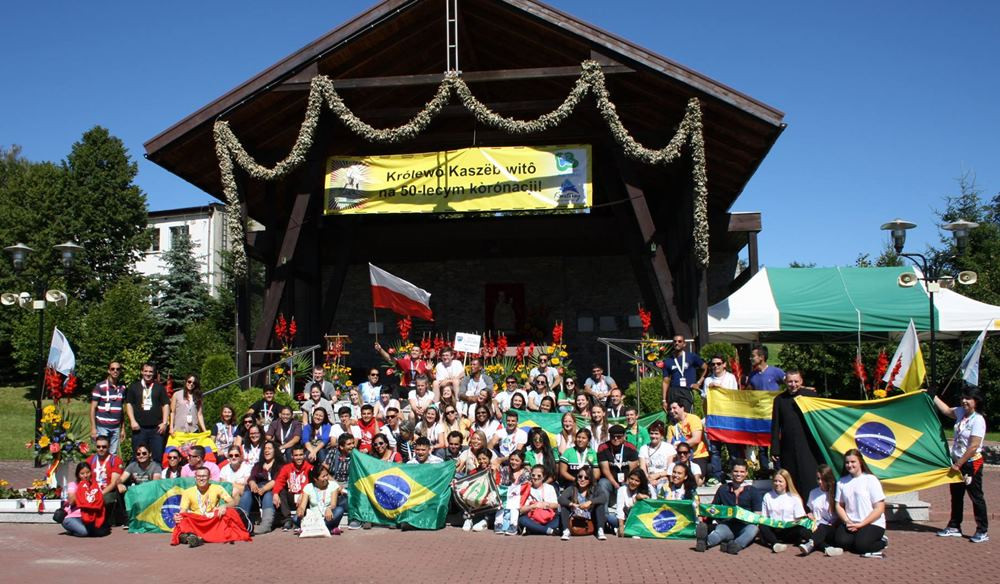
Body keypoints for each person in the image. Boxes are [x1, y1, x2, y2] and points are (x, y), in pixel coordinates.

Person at [934, 388, 989, 543]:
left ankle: (982, 530)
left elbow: (973, 446)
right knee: (956, 495)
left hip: (971, 463)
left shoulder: (978, 420)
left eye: (969, 398)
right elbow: (946, 410)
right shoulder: (960, 412)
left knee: (975, 496)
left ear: (976, 401)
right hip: (957, 462)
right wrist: (933, 396)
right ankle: (954, 526)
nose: (964, 401)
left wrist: (958, 464)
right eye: (963, 398)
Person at [769, 369, 821, 495]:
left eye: (796, 381)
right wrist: (775, 448)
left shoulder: (811, 396)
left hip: (809, 445)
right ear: (785, 382)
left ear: (801, 381)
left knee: (809, 476)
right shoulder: (779, 400)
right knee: (792, 478)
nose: (793, 384)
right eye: (790, 381)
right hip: (788, 446)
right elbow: (776, 426)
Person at [696, 458, 763, 555]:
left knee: (753, 529)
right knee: (719, 533)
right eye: (736, 471)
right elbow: (714, 508)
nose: (738, 474)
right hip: (727, 524)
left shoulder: (753, 491)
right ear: (731, 472)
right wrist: (706, 520)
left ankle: (735, 545)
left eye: (742, 472)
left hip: (745, 526)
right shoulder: (723, 489)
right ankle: (704, 542)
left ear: (746, 473)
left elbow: (757, 515)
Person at [172, 467, 249, 547]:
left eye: (204, 476)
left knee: (229, 512)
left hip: (212, 519)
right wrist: (178, 516)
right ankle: (193, 537)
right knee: (183, 518)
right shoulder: (187, 492)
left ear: (209, 477)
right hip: (197, 521)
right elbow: (183, 511)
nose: (201, 479)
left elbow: (232, 502)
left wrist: (224, 506)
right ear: (195, 477)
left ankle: (192, 536)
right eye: (199, 476)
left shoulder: (217, 488)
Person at [834, 449, 887, 557]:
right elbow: (839, 505)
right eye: (847, 462)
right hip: (852, 523)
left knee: (861, 547)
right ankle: (858, 538)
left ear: (860, 462)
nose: (849, 465)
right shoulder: (841, 482)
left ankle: (883, 542)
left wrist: (861, 524)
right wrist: (847, 521)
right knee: (841, 543)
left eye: (853, 462)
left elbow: (879, 508)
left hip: (872, 523)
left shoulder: (870, 480)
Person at [704, 355, 742, 482]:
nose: (716, 366)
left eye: (718, 363)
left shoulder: (730, 378)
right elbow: (705, 400)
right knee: (715, 451)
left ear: (724, 364)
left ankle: (735, 474)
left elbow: (734, 396)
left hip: (728, 419)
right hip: (714, 419)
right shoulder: (708, 380)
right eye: (713, 364)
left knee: (732, 450)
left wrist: (720, 389)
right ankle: (717, 476)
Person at [125, 362, 170, 463]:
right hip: (139, 429)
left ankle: (156, 478)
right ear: (141, 372)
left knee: (157, 456)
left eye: (150, 372)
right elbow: (129, 404)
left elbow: (166, 405)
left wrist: (164, 422)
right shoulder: (134, 387)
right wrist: (132, 421)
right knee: (138, 456)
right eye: (146, 371)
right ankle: (138, 478)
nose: (148, 374)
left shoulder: (159, 388)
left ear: (154, 373)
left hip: (157, 429)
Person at [759, 469, 810, 552]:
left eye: (780, 481)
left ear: (787, 482)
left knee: (802, 529)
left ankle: (810, 543)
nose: (777, 484)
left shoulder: (794, 497)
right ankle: (775, 544)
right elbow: (764, 517)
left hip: (789, 529)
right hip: (774, 529)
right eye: (775, 481)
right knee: (762, 526)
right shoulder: (767, 496)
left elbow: (800, 518)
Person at [799, 464, 843, 556]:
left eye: (823, 479)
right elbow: (811, 511)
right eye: (818, 479)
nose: (820, 482)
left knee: (823, 527)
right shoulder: (813, 492)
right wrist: (810, 515)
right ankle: (827, 548)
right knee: (803, 531)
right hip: (816, 527)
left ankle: (811, 544)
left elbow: (841, 514)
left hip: (831, 528)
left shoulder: (836, 492)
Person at [559, 465, 608, 541]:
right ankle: (566, 530)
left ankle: (600, 530)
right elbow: (561, 498)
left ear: (590, 479)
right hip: (575, 518)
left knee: (600, 505)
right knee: (564, 506)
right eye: (580, 477)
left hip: (590, 519)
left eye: (586, 478)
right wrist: (572, 504)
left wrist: (590, 502)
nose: (582, 479)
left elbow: (604, 497)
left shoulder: (595, 488)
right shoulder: (572, 488)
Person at [242, 441, 282, 534]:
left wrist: (264, 489)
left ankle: (266, 525)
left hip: (272, 490)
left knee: (268, 494)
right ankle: (241, 522)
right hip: (257, 492)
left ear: (275, 451)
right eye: (265, 448)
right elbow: (252, 477)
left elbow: (277, 480)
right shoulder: (258, 465)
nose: (266, 451)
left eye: (269, 448)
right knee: (247, 492)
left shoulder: (280, 465)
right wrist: (252, 483)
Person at [61, 462, 110, 537]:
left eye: (88, 472)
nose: (85, 476)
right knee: (84, 532)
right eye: (82, 473)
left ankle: (80, 529)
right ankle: (70, 528)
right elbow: (71, 502)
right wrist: (81, 487)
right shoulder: (73, 485)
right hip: (73, 517)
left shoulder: (94, 485)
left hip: (89, 517)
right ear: (78, 475)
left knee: (100, 532)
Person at [273, 444, 313, 531]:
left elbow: (312, 485)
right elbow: (279, 481)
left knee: (310, 493)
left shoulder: (310, 468)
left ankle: (300, 519)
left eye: (301, 455)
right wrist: (275, 493)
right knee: (281, 491)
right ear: (292, 456)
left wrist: (303, 494)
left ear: (304, 455)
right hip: (292, 496)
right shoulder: (286, 468)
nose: (298, 457)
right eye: (296, 455)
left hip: (304, 497)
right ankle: (287, 520)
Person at [660, 335, 706, 413]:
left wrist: (699, 382)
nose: (677, 343)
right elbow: (665, 381)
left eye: (679, 341)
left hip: (687, 390)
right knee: (673, 416)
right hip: (673, 391)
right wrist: (664, 400)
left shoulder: (691, 356)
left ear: (684, 344)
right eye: (675, 341)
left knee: (686, 416)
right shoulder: (668, 360)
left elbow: (705, 368)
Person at [296, 464, 345, 535]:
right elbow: (302, 506)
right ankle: (328, 529)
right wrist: (300, 510)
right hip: (313, 519)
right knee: (295, 518)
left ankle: (311, 529)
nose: (326, 478)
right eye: (323, 476)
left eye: (327, 475)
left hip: (327, 518)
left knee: (339, 510)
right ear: (316, 479)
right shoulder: (308, 487)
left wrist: (329, 508)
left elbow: (333, 504)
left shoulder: (333, 485)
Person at [90, 361, 126, 456]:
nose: (115, 371)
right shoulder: (99, 387)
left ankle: (111, 470)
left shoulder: (122, 388)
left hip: (115, 427)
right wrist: (93, 428)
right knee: (102, 452)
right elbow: (93, 408)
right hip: (102, 426)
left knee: (113, 454)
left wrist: (123, 428)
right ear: (108, 371)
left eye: (118, 369)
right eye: (112, 369)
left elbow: (122, 410)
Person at [596, 425, 638, 504]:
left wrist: (626, 484)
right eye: (613, 436)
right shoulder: (603, 447)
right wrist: (616, 485)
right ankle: (604, 513)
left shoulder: (631, 447)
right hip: (610, 481)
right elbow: (605, 470)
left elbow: (633, 470)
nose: (615, 439)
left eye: (619, 437)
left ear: (624, 436)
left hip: (627, 481)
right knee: (602, 483)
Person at [667, 400, 709, 477]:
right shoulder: (671, 425)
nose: (672, 411)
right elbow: (669, 445)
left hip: (697, 456)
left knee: (694, 479)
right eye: (670, 409)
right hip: (680, 457)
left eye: (674, 408)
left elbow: (696, 439)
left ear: (682, 408)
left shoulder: (693, 419)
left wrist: (679, 445)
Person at [85, 435, 123, 521]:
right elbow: (84, 479)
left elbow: (113, 483)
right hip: (92, 491)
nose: (101, 449)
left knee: (105, 500)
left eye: (104, 447)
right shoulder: (90, 460)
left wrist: (100, 494)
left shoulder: (115, 460)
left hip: (108, 491)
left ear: (109, 446)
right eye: (98, 447)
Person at [518, 465, 560, 535]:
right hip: (532, 519)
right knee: (522, 520)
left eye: (539, 476)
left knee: (560, 519)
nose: (535, 478)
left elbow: (556, 505)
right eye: (533, 475)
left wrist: (545, 505)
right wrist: (533, 506)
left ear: (543, 477)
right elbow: (521, 510)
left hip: (547, 519)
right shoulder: (526, 488)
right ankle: (548, 531)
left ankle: (534, 529)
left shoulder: (549, 487)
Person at [496, 450, 529, 535]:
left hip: (519, 498)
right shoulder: (505, 469)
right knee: (500, 503)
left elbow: (525, 488)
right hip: (506, 497)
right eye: (512, 459)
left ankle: (513, 526)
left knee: (515, 505)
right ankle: (498, 523)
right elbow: (501, 484)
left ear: (522, 462)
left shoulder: (526, 472)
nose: (513, 462)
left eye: (517, 460)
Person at [614, 468, 654, 537]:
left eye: (637, 481)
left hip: (643, 518)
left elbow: (653, 504)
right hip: (626, 516)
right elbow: (620, 509)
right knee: (610, 518)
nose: (633, 482)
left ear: (641, 482)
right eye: (631, 479)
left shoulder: (648, 488)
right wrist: (621, 526)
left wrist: (644, 498)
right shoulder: (622, 489)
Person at [638, 421, 676, 489]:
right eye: (651, 433)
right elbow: (642, 469)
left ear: (661, 435)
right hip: (648, 479)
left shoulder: (669, 448)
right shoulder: (643, 448)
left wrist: (657, 476)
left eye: (656, 434)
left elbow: (670, 469)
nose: (653, 436)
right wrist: (649, 480)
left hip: (664, 478)